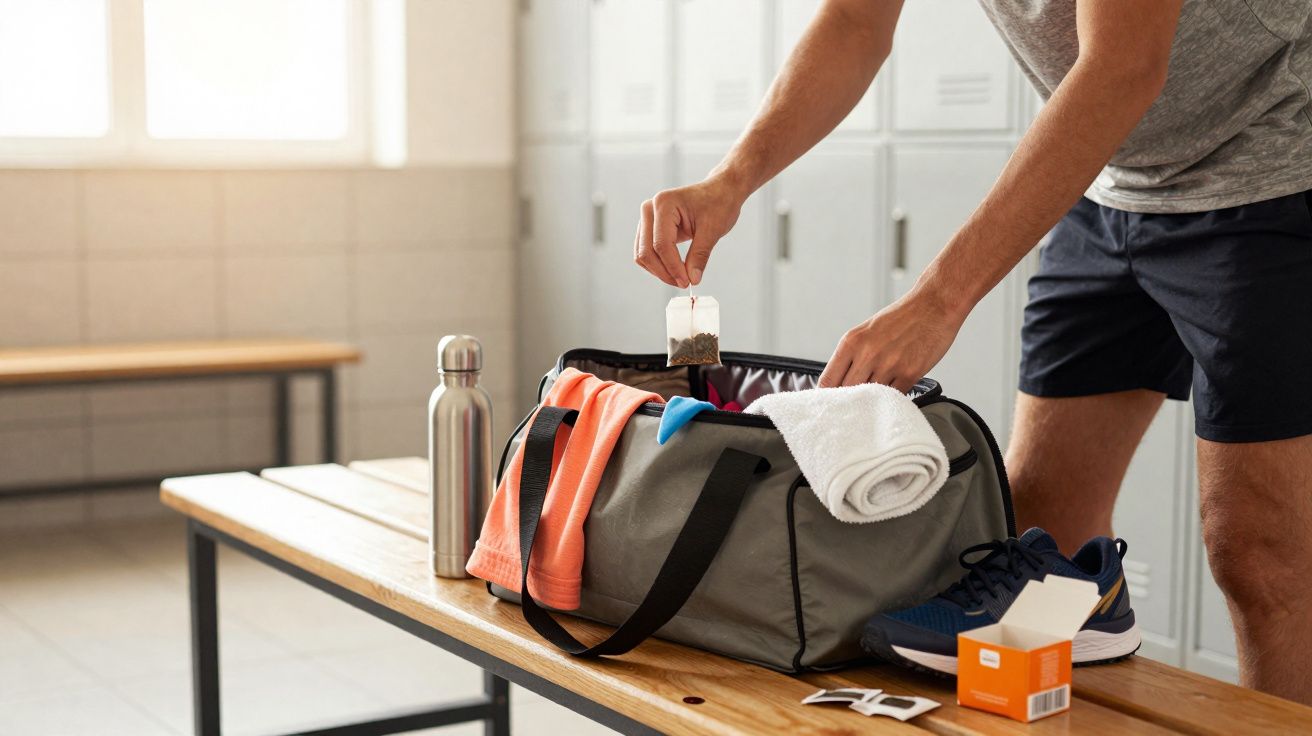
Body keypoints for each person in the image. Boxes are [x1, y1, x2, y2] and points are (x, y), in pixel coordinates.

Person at [632, 0, 1312, 703]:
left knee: (1258, 556)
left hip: (1271, 178)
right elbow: (855, 23)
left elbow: (1125, 64)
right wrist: (731, 180)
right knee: (1041, 532)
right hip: (1111, 187)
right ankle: (1092, 624)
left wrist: (938, 301)